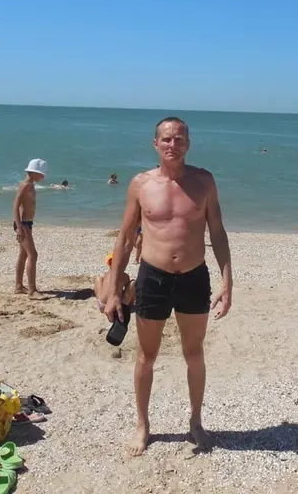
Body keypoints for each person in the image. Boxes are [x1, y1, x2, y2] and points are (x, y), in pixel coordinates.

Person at [105, 117, 232, 456]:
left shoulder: (204, 181)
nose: (172, 144)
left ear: (188, 143)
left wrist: (227, 280)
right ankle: (142, 425)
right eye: (166, 139)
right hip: (153, 277)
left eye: (179, 139)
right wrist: (114, 289)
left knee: (194, 353)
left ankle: (196, 422)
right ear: (155, 144)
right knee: (146, 356)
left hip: (193, 276)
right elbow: (125, 238)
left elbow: (217, 231)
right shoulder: (141, 184)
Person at [12, 158, 48, 299]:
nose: (43, 177)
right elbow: (15, 206)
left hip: (27, 223)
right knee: (33, 254)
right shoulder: (25, 185)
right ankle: (32, 291)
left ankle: (19, 286)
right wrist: (19, 227)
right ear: (34, 172)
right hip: (23, 224)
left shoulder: (31, 185)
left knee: (23, 254)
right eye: (41, 174)